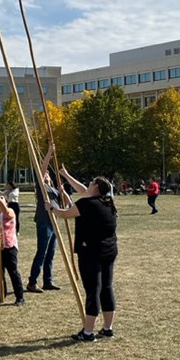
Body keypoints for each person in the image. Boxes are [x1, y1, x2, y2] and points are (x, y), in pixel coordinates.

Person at [51, 167, 117, 342]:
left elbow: (65, 214)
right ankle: (107, 328)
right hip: (109, 251)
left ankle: (88, 332)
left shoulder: (86, 204)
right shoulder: (107, 202)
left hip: (91, 253)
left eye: (91, 183)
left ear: (95, 187)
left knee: (93, 290)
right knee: (106, 288)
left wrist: (52, 208)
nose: (88, 185)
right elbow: (83, 191)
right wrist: (66, 175)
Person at [27, 145, 61, 293]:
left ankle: (48, 281)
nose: (46, 174)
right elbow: (42, 169)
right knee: (42, 252)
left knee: (51, 253)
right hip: (44, 222)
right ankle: (32, 282)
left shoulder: (53, 189)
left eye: (48, 173)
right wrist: (49, 153)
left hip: (54, 222)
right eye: (45, 173)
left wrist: (62, 191)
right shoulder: (42, 187)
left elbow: (65, 202)